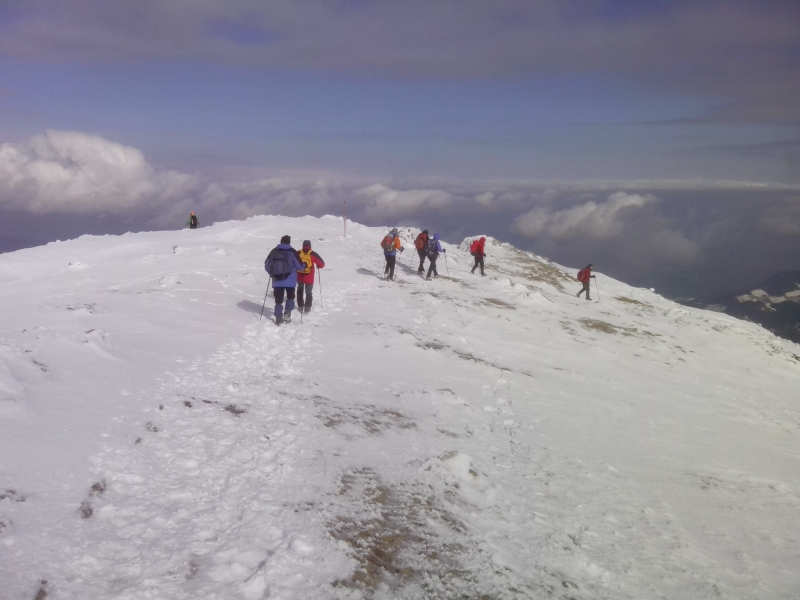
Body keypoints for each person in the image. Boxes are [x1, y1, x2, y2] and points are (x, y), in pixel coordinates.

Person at [265, 235, 304, 325]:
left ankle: (278, 318)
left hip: (277, 280)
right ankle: (287, 313)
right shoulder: (292, 251)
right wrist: (304, 265)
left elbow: (267, 265)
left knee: (278, 300)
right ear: (289, 242)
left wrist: (272, 273)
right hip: (290, 280)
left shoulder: (274, 251)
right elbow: (299, 266)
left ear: (281, 241)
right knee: (290, 297)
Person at [296, 240, 325, 313]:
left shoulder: (298, 253)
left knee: (300, 290)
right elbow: (322, 264)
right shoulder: (312, 253)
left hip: (299, 275)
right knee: (308, 292)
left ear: (303, 245)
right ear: (310, 246)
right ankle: (307, 308)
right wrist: (318, 265)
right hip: (309, 276)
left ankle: (300, 306)